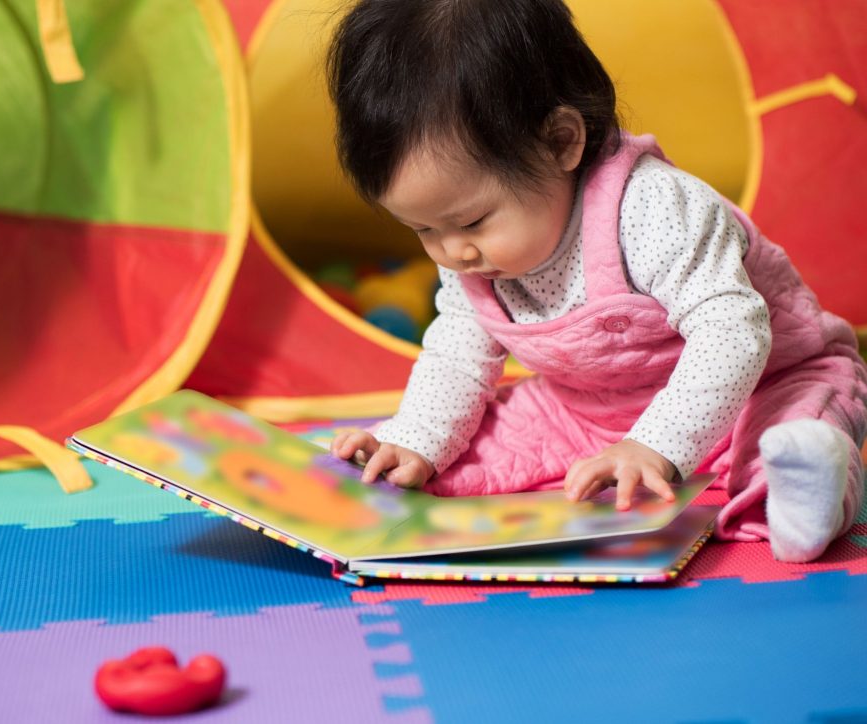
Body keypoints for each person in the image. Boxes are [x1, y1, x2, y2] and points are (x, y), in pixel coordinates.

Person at [325, 0, 867, 562]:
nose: (453, 252)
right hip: (588, 406)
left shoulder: (654, 208)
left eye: (471, 221)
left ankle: (809, 488)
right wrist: (416, 436)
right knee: (463, 452)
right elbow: (460, 353)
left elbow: (733, 334)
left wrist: (655, 445)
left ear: (562, 142)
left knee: (791, 428)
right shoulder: (463, 245)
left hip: (762, 381)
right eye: (421, 229)